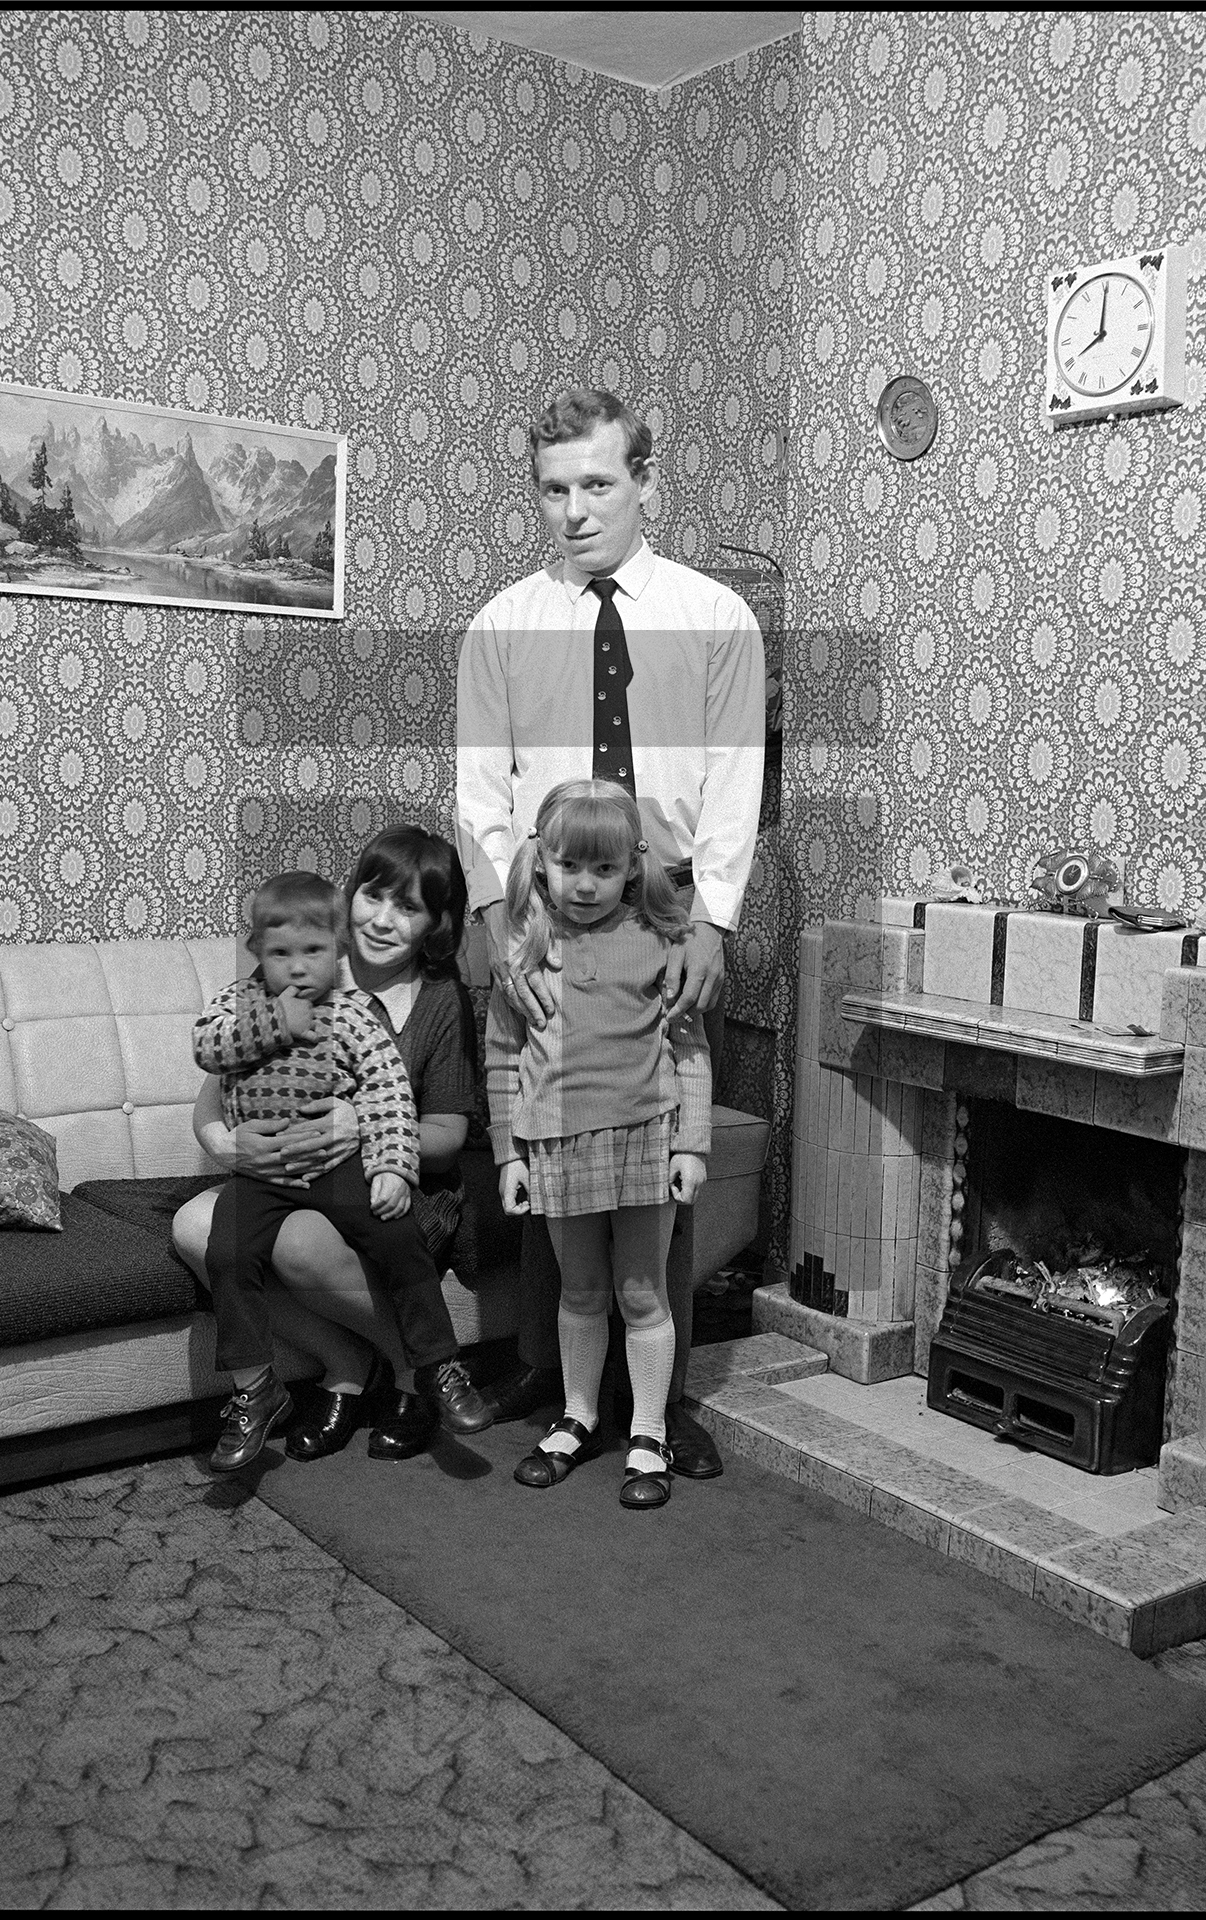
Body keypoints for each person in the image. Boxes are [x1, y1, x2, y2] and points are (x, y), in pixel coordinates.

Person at [456, 386, 763, 1480]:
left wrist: (716, 920)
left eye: (597, 483)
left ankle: (660, 1403)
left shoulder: (718, 617)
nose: (574, 510)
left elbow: (736, 776)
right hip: (546, 908)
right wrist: (499, 919)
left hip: (666, 902)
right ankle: (560, 1379)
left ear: (644, 481)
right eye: (554, 489)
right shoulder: (503, 624)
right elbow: (480, 786)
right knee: (548, 1135)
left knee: (656, 1153)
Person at [174, 827, 487, 1463]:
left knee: (296, 1242)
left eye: (409, 908)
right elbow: (214, 1088)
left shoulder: (436, 1001)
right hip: (281, 1172)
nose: (384, 919)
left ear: (435, 924)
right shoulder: (295, 957)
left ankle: (413, 1373)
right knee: (197, 1229)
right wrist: (232, 1149)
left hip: (393, 1180)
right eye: (374, 896)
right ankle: (341, 1361)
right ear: (349, 902)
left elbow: (448, 1135)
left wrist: (363, 1129)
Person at [489, 779, 710, 1510]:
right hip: (554, 1141)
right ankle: (578, 1416)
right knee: (580, 1290)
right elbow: (501, 1055)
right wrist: (509, 1155)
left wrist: (692, 1146)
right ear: (541, 860)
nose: (585, 885)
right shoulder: (524, 943)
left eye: (605, 870)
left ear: (633, 867)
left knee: (641, 1293)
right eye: (569, 866)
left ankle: (648, 1430)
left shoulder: (661, 938)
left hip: (646, 1135)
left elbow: (689, 1048)